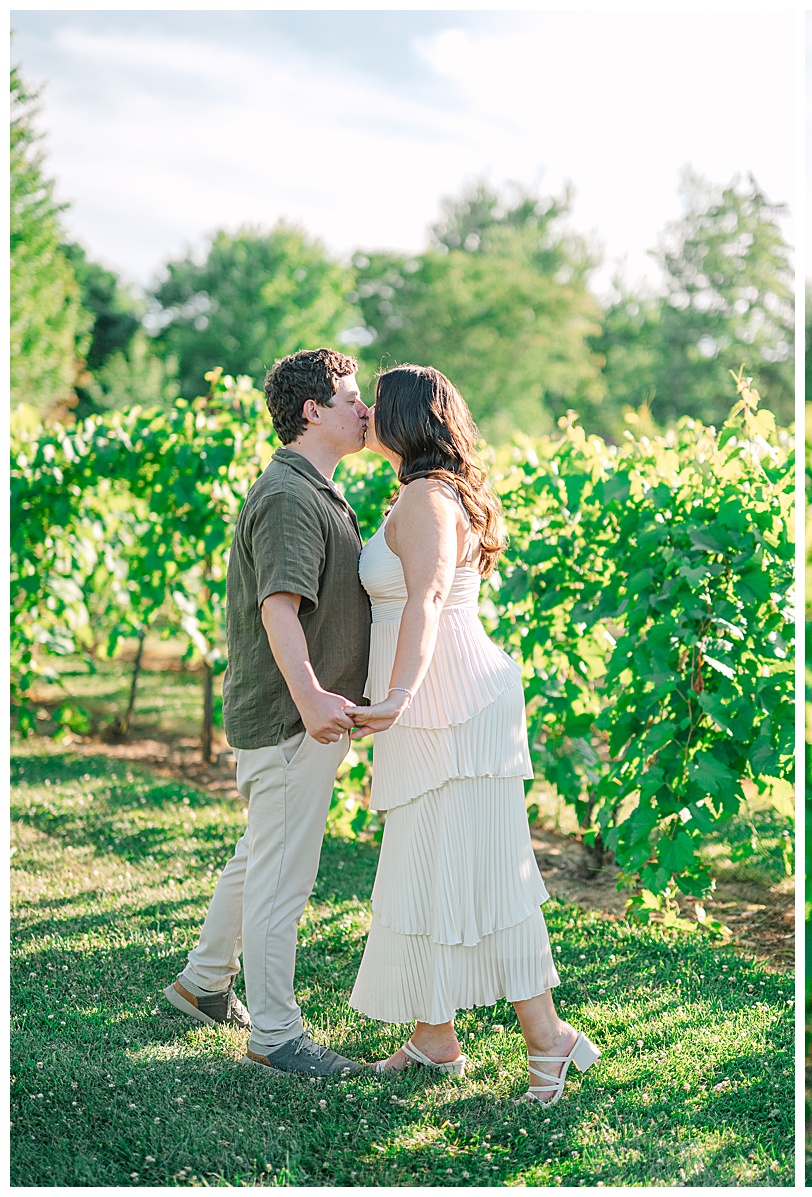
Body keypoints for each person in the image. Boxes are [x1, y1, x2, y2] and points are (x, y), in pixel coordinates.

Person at [345, 364, 599, 1105]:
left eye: (374, 403)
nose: (363, 411)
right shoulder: (418, 493)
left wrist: (396, 692)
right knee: (425, 863)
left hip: (445, 700)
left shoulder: (427, 498)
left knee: (489, 873)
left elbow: (424, 601)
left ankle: (549, 1041)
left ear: (402, 418)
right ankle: (435, 1036)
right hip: (438, 698)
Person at [165, 347, 371, 1077]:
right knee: (284, 875)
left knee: (260, 855)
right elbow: (279, 608)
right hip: (291, 717)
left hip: (296, 716)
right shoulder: (289, 495)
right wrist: (314, 695)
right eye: (352, 397)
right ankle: (277, 1034)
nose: (365, 409)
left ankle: (202, 983)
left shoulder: (314, 487)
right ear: (312, 410)